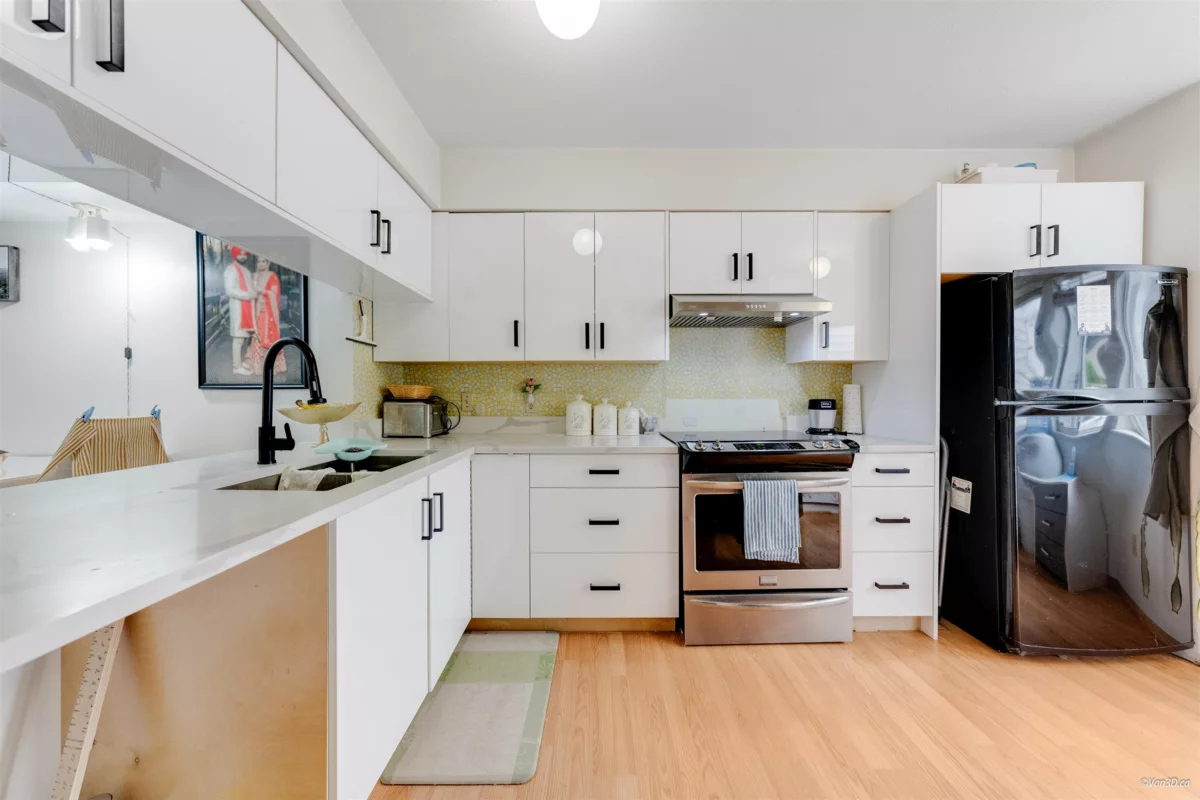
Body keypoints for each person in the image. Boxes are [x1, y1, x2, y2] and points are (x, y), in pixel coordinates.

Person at [223, 246, 258, 376]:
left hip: (248, 308)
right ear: (235, 255)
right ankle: (236, 367)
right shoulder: (231, 270)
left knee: (249, 336)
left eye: (245, 254)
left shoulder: (246, 271)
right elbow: (230, 290)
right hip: (239, 308)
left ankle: (243, 361)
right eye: (240, 254)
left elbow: (251, 287)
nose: (243, 256)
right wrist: (248, 295)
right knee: (238, 339)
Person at [249, 255, 286, 376]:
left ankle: (272, 367)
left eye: (264, 261)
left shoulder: (272, 276)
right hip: (256, 311)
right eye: (259, 261)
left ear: (268, 263)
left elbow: (274, 294)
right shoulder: (254, 276)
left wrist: (262, 290)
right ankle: (258, 368)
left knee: (269, 336)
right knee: (257, 336)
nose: (261, 264)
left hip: (269, 312)